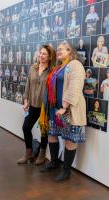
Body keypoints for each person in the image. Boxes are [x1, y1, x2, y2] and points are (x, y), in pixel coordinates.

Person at [40, 41, 86, 182]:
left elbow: (74, 88)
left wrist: (64, 107)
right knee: (52, 135)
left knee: (70, 140)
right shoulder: (59, 67)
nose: (58, 52)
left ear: (70, 51)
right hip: (56, 109)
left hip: (69, 109)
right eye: (58, 49)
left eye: (62, 50)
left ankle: (66, 171)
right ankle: (54, 162)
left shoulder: (75, 65)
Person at [17, 45, 56, 165]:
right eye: (40, 53)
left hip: (45, 106)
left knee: (44, 131)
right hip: (33, 105)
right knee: (26, 127)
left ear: (49, 57)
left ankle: (42, 154)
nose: (41, 55)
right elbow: (27, 86)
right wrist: (25, 101)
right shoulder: (33, 68)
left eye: (44, 54)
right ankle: (28, 153)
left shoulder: (52, 70)